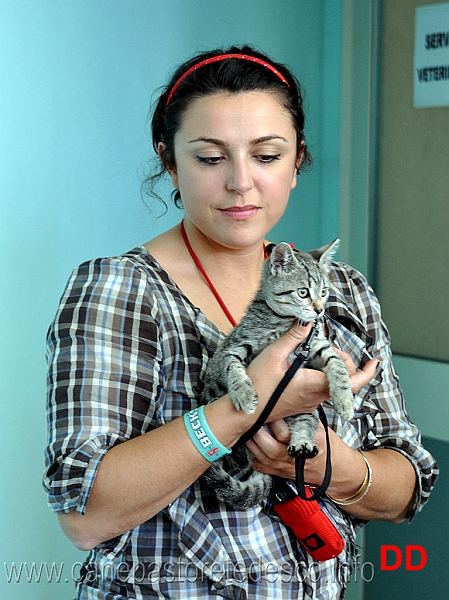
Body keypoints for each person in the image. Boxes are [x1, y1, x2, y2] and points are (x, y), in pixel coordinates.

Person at [44, 46, 438, 599]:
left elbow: (407, 486)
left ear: (298, 162)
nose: (241, 183)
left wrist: (330, 464)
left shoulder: (344, 293)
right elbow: (85, 516)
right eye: (210, 158)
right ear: (169, 162)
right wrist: (243, 409)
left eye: (267, 156)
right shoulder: (119, 291)